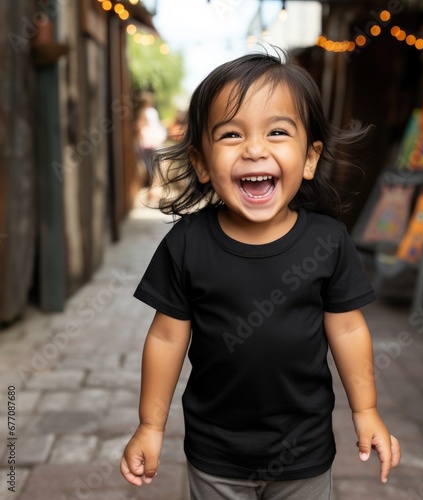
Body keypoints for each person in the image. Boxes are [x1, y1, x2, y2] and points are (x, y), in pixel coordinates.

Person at [121, 51, 400, 499]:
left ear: (309, 158)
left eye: (276, 132)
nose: (254, 148)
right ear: (202, 163)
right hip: (215, 454)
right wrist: (150, 426)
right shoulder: (187, 244)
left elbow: (347, 328)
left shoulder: (328, 243)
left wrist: (365, 410)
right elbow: (166, 339)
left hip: (304, 452)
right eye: (231, 134)